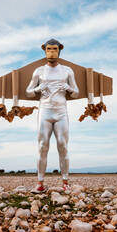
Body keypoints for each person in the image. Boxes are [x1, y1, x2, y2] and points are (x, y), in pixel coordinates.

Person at [26, 38, 79, 192]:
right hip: (45, 110)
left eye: (54, 49)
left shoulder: (67, 70)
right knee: (43, 146)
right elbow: (28, 92)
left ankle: (65, 182)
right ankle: (40, 183)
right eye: (49, 49)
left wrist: (68, 87)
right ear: (44, 50)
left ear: (60, 49)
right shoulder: (39, 71)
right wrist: (37, 89)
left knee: (63, 145)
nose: (51, 52)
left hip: (61, 111)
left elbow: (76, 93)